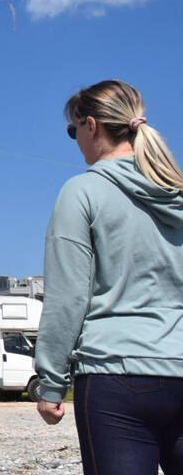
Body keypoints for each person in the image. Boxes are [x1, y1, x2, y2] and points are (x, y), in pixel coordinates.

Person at [35, 80, 183, 475]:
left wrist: (50, 382)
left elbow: (68, 297)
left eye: (73, 131)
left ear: (92, 125)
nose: (76, 140)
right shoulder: (178, 195)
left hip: (114, 375)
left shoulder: (83, 191)